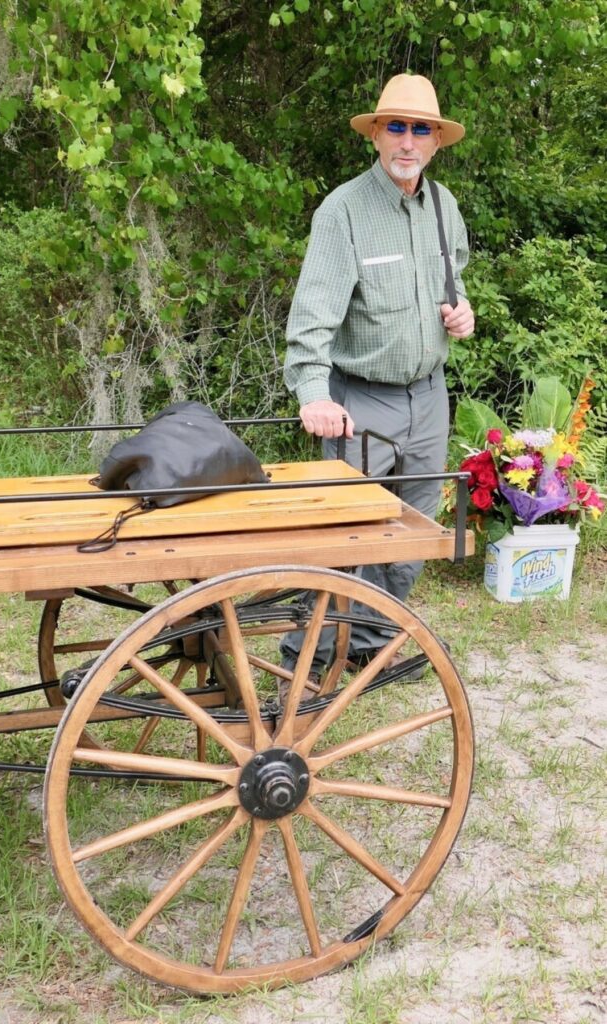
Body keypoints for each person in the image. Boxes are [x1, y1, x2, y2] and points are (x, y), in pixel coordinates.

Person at [281, 73, 475, 680]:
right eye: (397, 127)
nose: (408, 141)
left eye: (421, 129)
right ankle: (305, 658)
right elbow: (312, 314)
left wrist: (461, 313)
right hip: (360, 401)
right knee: (341, 536)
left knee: (411, 532)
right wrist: (313, 393)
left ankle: (370, 643)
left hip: (429, 398)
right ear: (376, 135)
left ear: (437, 141)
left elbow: (455, 283)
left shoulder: (444, 206)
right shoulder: (343, 212)